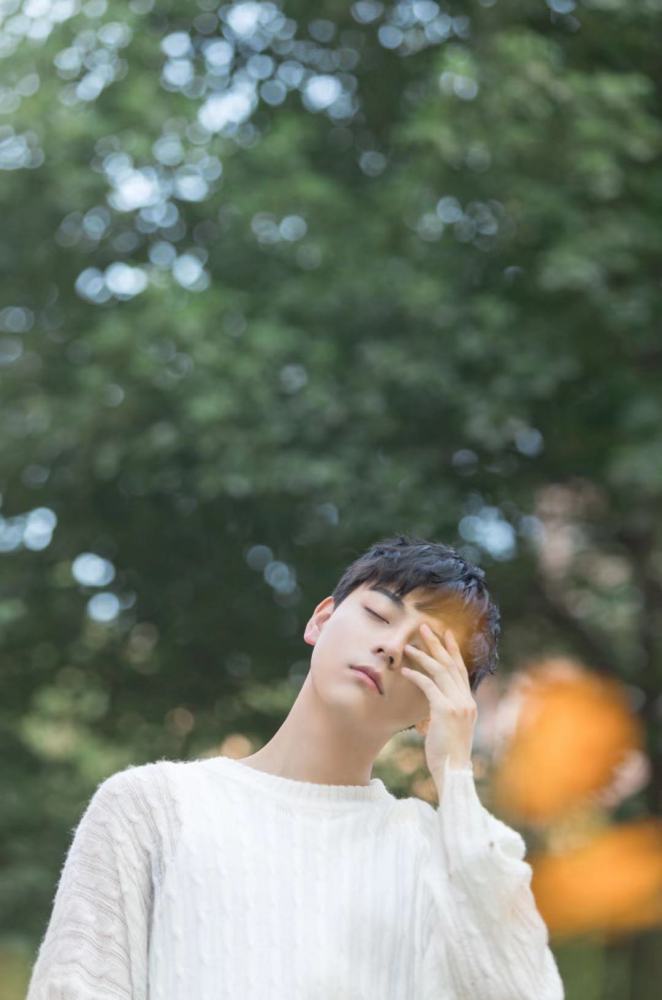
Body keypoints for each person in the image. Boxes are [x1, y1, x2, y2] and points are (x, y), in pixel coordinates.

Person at [26, 533, 565, 999]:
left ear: (435, 706)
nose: (391, 647)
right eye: (379, 615)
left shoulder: (439, 853)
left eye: (426, 653)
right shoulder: (152, 806)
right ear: (321, 619)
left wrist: (454, 773)